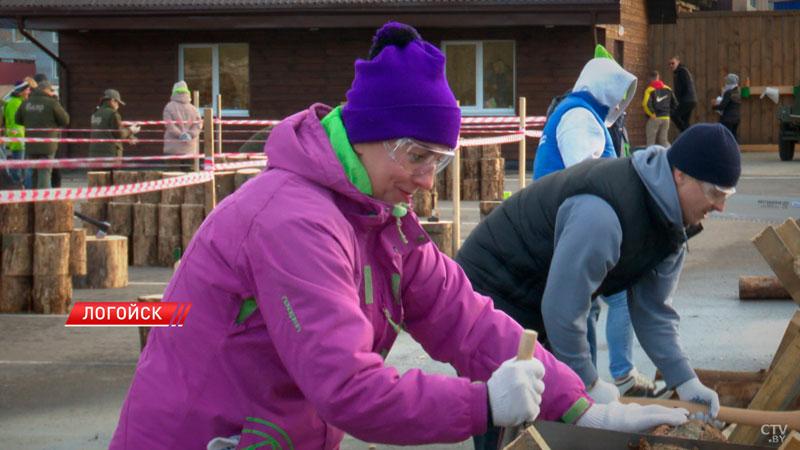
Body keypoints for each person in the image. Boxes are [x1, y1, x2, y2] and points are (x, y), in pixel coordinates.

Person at [109, 22, 687, 450]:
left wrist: (581, 404)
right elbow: (347, 386)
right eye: (416, 156)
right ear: (365, 136)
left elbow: (466, 318)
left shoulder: (380, 220)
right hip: (197, 434)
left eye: (438, 161)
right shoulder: (294, 222)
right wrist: (481, 403)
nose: (424, 180)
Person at [457, 123, 737, 434]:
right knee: (508, 406)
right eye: (715, 192)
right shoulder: (603, 213)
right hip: (491, 285)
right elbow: (563, 309)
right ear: (679, 174)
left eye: (728, 195)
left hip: (541, 293)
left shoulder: (672, 228)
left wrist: (685, 380)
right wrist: (587, 382)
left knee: (548, 408)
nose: (720, 206)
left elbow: (654, 311)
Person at [531, 52, 665, 403]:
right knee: (609, 297)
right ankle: (600, 381)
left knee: (585, 305)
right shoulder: (579, 117)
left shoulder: (580, 113)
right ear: (605, 88)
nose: (621, 101)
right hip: (570, 226)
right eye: (618, 92)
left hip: (567, 224)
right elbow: (586, 175)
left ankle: (583, 383)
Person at [14, 80, 70, 189]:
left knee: (34, 172)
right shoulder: (52, 103)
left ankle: (32, 200)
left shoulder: (26, 103)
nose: (51, 93)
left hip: (31, 143)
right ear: (45, 90)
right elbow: (65, 120)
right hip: (48, 144)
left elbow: (17, 120)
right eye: (50, 91)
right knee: (44, 172)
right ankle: (41, 200)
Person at [162, 80, 202, 168]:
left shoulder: (169, 107)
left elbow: (169, 125)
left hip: (173, 149)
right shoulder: (194, 109)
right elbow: (198, 125)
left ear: (174, 92)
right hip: (189, 148)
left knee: (172, 175)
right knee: (189, 176)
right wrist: (190, 135)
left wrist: (180, 135)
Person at [88, 89, 139, 157]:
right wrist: (130, 130)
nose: (118, 106)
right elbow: (119, 133)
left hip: (94, 155)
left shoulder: (96, 113)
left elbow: (106, 129)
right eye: (117, 103)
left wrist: (129, 136)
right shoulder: (112, 113)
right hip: (109, 154)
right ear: (112, 100)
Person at [1, 80, 33, 187]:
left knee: (19, 163)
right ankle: (15, 186)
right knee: (18, 164)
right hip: (19, 138)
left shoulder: (17, 102)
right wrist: (20, 138)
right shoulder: (15, 103)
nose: (29, 92)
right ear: (21, 92)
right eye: (27, 89)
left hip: (19, 137)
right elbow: (14, 123)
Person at [643, 70, 678, 147]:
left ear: (649, 79)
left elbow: (645, 104)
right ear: (658, 77)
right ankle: (671, 154)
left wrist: (651, 113)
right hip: (666, 117)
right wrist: (669, 113)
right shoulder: (668, 89)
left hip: (655, 117)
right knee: (663, 140)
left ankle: (650, 157)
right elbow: (675, 103)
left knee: (651, 141)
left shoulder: (649, 90)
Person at [668, 56, 697, 133]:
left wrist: (676, 100)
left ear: (678, 62)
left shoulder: (681, 71)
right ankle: (687, 136)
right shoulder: (680, 71)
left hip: (686, 100)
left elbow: (683, 86)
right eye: (669, 64)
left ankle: (687, 133)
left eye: (673, 63)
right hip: (690, 99)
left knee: (674, 115)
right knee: (685, 121)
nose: (671, 65)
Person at [712, 74, 742, 141]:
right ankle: (735, 149)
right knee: (733, 135)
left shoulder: (728, 93)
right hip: (737, 118)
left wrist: (714, 107)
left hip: (728, 118)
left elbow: (722, 106)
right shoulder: (737, 92)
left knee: (726, 136)